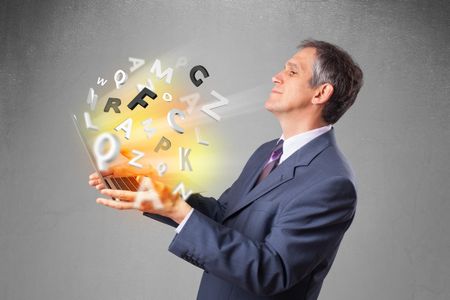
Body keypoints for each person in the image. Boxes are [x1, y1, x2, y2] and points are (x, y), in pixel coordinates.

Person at [89, 39, 363, 300]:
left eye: (291, 71)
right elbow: (226, 216)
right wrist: (150, 189)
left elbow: (271, 271)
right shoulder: (268, 151)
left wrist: (176, 209)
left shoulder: (331, 182)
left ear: (321, 92)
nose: (276, 76)